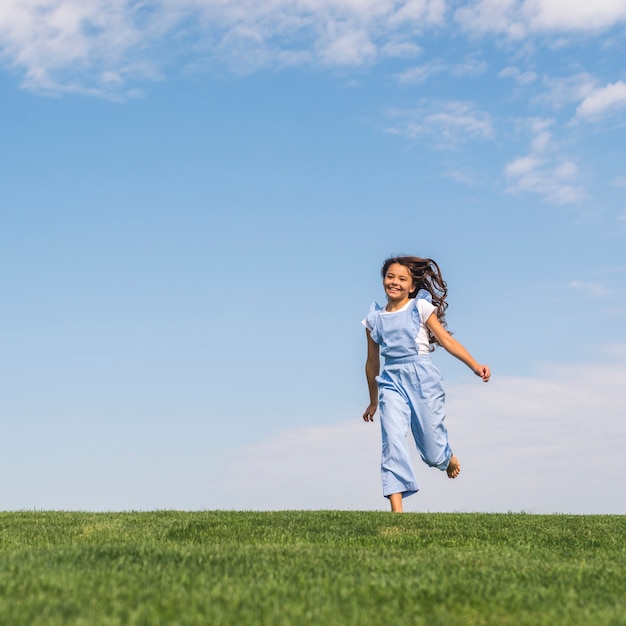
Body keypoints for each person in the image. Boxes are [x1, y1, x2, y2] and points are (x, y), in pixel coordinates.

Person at [362, 255, 490, 513]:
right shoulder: (374, 319)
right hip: (391, 381)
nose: (394, 282)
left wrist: (475, 365)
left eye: (402, 279)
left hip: (422, 378)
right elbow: (372, 363)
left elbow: (446, 341)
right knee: (393, 438)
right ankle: (397, 512)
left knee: (431, 452)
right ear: (383, 280)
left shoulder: (420, 308)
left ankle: (445, 457)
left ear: (411, 286)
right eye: (390, 277)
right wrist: (373, 401)